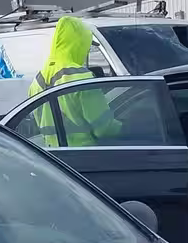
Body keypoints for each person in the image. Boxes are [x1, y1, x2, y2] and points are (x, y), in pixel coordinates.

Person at [27, 16, 122, 147]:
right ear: (79, 44)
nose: (87, 51)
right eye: (87, 46)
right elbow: (103, 129)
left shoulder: (37, 80)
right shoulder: (81, 77)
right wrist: (126, 128)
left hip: (52, 157)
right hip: (85, 156)